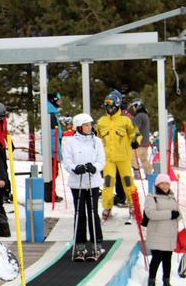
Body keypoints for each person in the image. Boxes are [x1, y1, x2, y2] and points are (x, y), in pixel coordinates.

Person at [62, 113, 105, 261]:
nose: (89, 127)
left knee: (93, 212)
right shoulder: (71, 142)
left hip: (92, 182)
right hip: (77, 183)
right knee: (80, 213)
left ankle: (96, 242)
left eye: (90, 124)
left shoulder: (97, 142)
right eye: (86, 125)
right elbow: (66, 161)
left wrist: (95, 167)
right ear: (79, 127)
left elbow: (101, 159)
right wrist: (75, 168)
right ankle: (80, 244)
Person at [97, 90, 141, 221]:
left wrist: (135, 141)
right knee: (108, 182)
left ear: (117, 106)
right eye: (107, 107)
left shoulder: (126, 120)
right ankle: (107, 206)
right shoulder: (102, 121)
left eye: (112, 107)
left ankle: (133, 205)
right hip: (108, 158)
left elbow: (136, 134)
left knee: (128, 181)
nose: (110, 109)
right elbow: (97, 136)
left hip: (124, 157)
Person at [144, 174, 180, 286]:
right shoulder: (151, 197)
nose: (165, 186)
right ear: (157, 185)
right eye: (162, 183)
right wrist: (170, 214)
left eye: (167, 184)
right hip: (157, 232)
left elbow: (177, 213)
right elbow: (151, 214)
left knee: (167, 259)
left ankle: (166, 281)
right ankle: (151, 280)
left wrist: (177, 216)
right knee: (157, 258)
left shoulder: (172, 197)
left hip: (170, 233)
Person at [128, 98, 153, 177]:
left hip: (140, 143)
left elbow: (135, 127)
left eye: (134, 107)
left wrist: (129, 117)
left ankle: (137, 174)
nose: (133, 109)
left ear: (137, 106)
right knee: (144, 160)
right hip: (145, 142)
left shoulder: (139, 116)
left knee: (132, 158)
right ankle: (149, 174)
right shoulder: (145, 115)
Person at [47, 93, 64, 203]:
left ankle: (50, 194)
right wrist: (56, 152)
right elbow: (53, 136)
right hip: (52, 150)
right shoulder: (51, 116)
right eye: (58, 100)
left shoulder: (52, 114)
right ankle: (50, 195)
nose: (60, 102)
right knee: (52, 173)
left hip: (52, 149)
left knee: (52, 172)